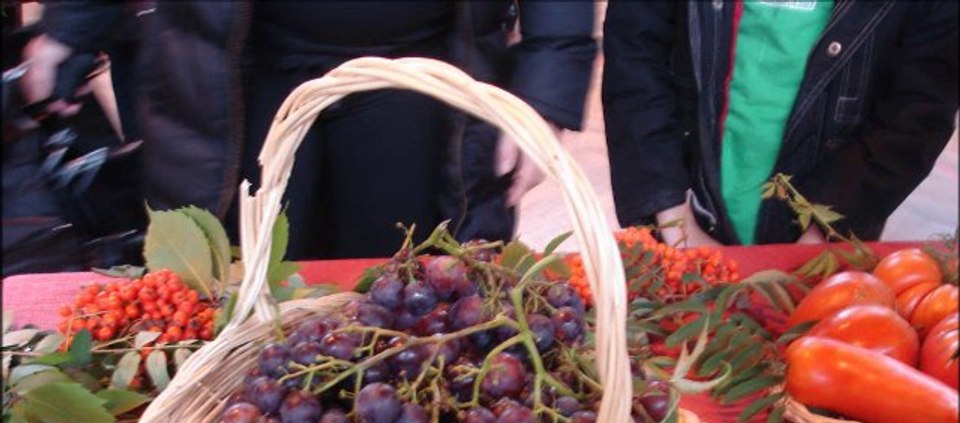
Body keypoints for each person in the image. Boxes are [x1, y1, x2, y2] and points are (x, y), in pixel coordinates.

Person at [21, 1, 596, 260]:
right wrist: (74, 24)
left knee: (410, 303)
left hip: (428, 83)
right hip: (239, 80)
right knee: (249, 300)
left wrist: (547, 89)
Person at [602, 0, 959, 247]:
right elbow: (635, 61)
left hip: (828, 240)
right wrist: (675, 225)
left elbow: (916, 112)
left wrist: (821, 235)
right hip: (678, 218)